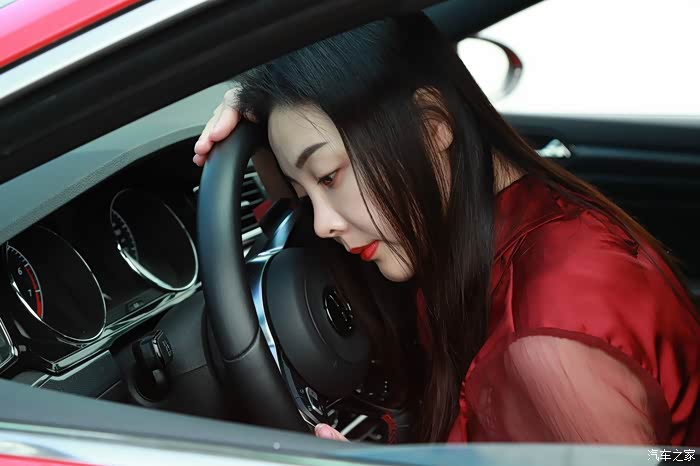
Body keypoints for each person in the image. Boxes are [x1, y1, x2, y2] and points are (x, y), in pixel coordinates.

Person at [192, 13, 700, 446]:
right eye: (306, 196)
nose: (323, 224)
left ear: (431, 124)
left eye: (328, 176)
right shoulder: (525, 227)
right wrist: (259, 103)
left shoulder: (541, 349)